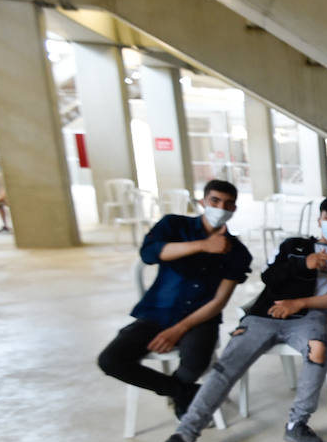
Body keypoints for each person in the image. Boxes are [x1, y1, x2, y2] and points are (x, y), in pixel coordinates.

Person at [139, 195, 327, 442]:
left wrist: (300, 303)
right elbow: (269, 277)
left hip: (310, 316)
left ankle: (297, 423)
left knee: (318, 349)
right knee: (228, 362)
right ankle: (184, 437)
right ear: (319, 219)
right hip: (266, 313)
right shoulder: (294, 245)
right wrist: (303, 264)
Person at [99, 179, 252, 418]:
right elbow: (149, 254)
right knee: (111, 360)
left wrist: (179, 329)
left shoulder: (238, 253)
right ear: (203, 202)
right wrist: (203, 245)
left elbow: (219, 302)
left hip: (201, 318)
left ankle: (181, 393)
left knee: (195, 361)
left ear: (234, 209)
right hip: (158, 312)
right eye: (215, 201)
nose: (221, 208)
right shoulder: (174, 225)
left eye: (228, 204)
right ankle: (184, 393)